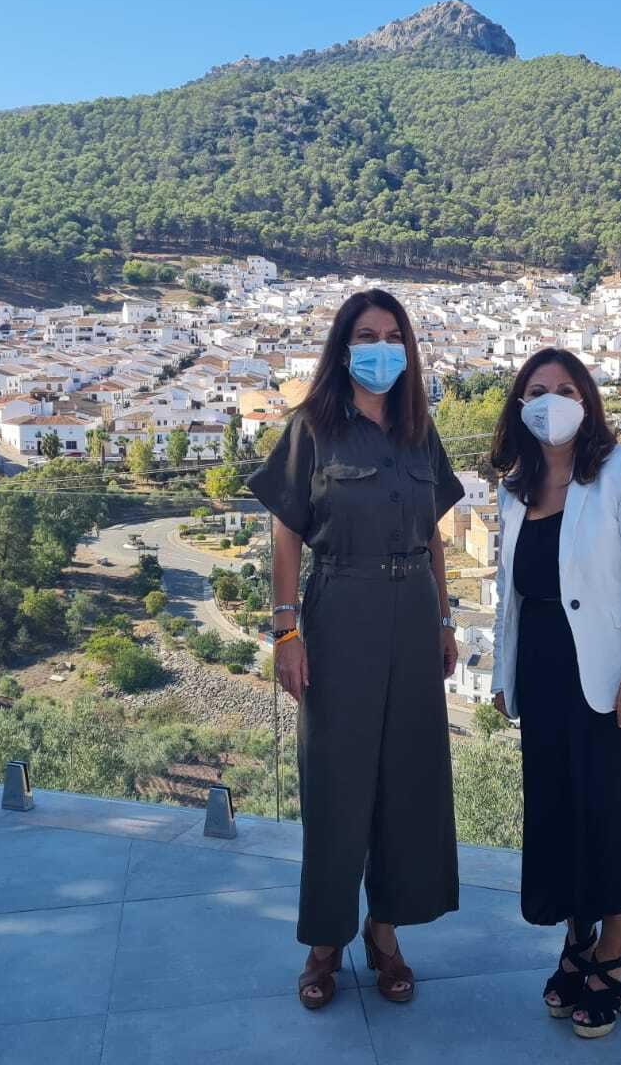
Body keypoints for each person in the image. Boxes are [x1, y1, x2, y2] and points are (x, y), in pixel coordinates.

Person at [248, 288, 465, 1010]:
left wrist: (444, 620)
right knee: (336, 783)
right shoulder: (313, 426)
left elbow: (435, 531)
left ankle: (386, 933)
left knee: (408, 780)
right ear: (345, 347)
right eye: (367, 334)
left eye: (392, 335)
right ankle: (324, 943)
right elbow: (285, 530)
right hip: (339, 607)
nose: (381, 347)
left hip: (411, 611)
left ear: (408, 348)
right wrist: (285, 631)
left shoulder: (417, 430)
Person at [488, 347, 621, 1040]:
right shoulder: (515, 489)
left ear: (588, 400)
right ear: (519, 405)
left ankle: (615, 954)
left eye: (565, 388)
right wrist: (502, 676)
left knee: (616, 817)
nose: (551, 400)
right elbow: (511, 596)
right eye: (536, 390)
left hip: (617, 677)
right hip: (542, 679)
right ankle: (577, 940)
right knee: (561, 816)